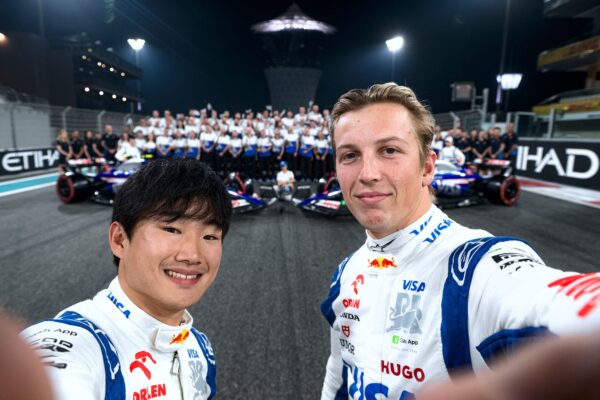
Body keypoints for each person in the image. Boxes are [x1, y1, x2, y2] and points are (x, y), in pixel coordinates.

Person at [320, 82, 600, 400]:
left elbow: (565, 304)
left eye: (389, 150)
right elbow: (338, 373)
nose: (367, 173)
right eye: (350, 155)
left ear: (427, 167)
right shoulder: (345, 273)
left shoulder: (476, 267)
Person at [22, 158, 232, 400]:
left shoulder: (199, 347)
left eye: (209, 236)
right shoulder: (75, 346)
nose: (192, 255)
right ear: (120, 240)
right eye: (172, 229)